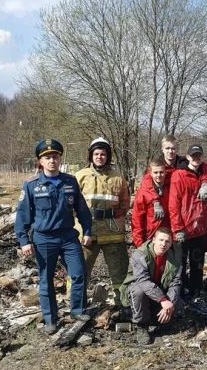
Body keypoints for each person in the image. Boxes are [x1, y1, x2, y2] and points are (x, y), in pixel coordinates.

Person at [15, 139, 93, 334]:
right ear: (40, 161)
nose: (52, 161)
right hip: (44, 239)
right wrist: (24, 241)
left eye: (55, 157)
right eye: (47, 157)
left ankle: (77, 310)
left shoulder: (70, 181)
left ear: (60, 159)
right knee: (46, 279)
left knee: (78, 274)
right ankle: (51, 319)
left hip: (68, 237)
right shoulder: (31, 186)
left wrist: (88, 231)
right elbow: (23, 216)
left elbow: (82, 210)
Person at [75, 137, 131, 309]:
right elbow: (71, 204)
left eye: (103, 154)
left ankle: (123, 305)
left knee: (119, 272)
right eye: (97, 154)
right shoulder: (80, 176)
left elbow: (125, 202)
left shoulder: (118, 178)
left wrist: (116, 215)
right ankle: (77, 305)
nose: (100, 157)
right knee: (79, 270)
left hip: (113, 232)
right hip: (86, 233)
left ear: (108, 156)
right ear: (91, 156)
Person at [119, 227, 182, 345]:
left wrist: (169, 304)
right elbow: (143, 281)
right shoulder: (140, 254)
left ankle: (159, 319)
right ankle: (141, 325)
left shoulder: (175, 256)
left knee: (178, 302)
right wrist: (163, 300)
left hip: (159, 291)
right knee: (139, 291)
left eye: (167, 241)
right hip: (137, 290)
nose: (163, 244)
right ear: (153, 240)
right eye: (161, 240)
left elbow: (175, 282)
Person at [168, 144, 207, 299]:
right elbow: (173, 204)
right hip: (184, 230)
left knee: (197, 266)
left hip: (200, 230)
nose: (196, 158)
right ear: (187, 157)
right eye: (193, 156)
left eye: (199, 155)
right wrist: (178, 228)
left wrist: (205, 183)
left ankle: (196, 294)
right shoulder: (179, 175)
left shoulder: (204, 172)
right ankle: (178, 296)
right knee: (179, 265)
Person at [132, 157, 169, 248]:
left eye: (161, 172)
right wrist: (139, 243)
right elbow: (137, 219)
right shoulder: (143, 193)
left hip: (167, 237)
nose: (159, 175)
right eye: (155, 172)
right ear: (150, 173)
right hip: (149, 237)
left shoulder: (170, 188)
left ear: (166, 172)